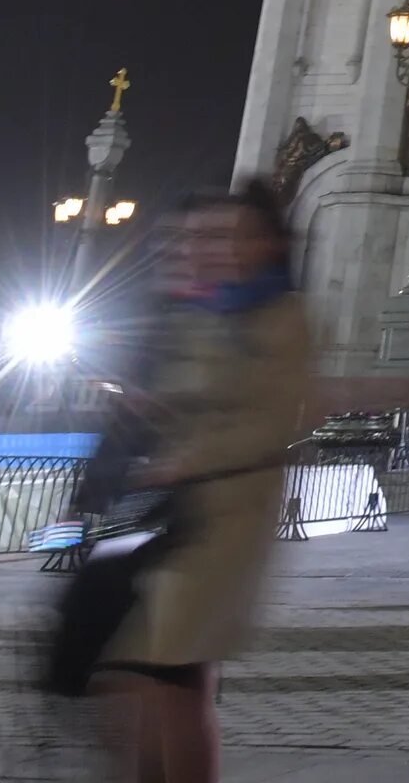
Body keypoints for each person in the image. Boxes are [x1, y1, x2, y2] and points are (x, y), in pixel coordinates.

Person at [98, 182, 312, 782]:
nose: (217, 249)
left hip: (224, 514)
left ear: (270, 243)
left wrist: (183, 452)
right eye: (208, 237)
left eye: (233, 236)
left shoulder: (277, 314)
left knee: (170, 675)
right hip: (179, 512)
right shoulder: (209, 307)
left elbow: (275, 419)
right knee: (150, 674)